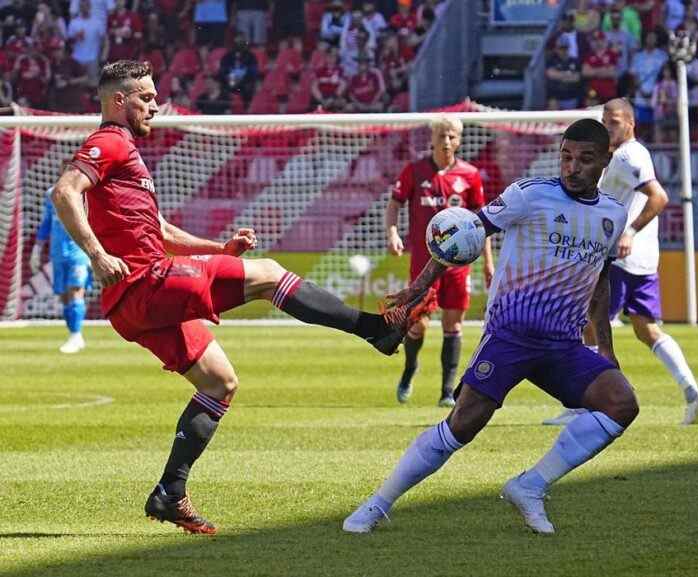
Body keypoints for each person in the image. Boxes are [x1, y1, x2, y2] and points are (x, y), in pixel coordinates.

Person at [50, 60, 424, 535]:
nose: (155, 105)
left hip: (134, 303)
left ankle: (170, 491)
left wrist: (218, 250)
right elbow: (64, 192)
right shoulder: (109, 142)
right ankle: (377, 329)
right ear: (118, 101)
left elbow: (160, 230)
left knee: (219, 383)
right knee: (268, 275)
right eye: (145, 96)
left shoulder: (125, 154)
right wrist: (98, 255)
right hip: (147, 283)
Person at [343, 119, 635, 535]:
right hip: (510, 336)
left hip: (563, 345)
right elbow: (463, 233)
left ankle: (530, 485)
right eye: (566, 157)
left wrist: (604, 348)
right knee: (461, 426)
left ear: (605, 160)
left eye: (585, 159)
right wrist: (418, 287)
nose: (572, 167)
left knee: (621, 403)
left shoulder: (613, 214)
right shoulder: (530, 195)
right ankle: (378, 502)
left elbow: (600, 279)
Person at [543, 99, 698, 428]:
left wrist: (629, 232)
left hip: (619, 256)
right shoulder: (637, 153)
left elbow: (659, 197)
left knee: (586, 323)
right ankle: (693, 393)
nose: (607, 128)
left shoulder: (626, 156)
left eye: (614, 122)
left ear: (631, 123)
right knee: (646, 329)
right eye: (604, 121)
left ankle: (582, 405)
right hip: (644, 258)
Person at [386, 116, 494, 407]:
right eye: (442, 135)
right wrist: (393, 232)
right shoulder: (415, 170)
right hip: (423, 265)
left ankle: (447, 390)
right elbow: (395, 203)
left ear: (459, 140)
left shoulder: (470, 176)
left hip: (458, 267)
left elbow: (483, 223)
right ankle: (410, 369)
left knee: (453, 325)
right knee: (417, 325)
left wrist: (488, 263)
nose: (447, 141)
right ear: (431, 139)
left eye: (453, 136)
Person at [29, 163, 93, 354]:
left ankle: (76, 335)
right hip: (58, 252)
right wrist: (37, 249)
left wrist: (94, 252)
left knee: (75, 290)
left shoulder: (86, 195)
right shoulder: (51, 194)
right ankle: (74, 334)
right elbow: (47, 223)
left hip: (79, 252)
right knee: (64, 296)